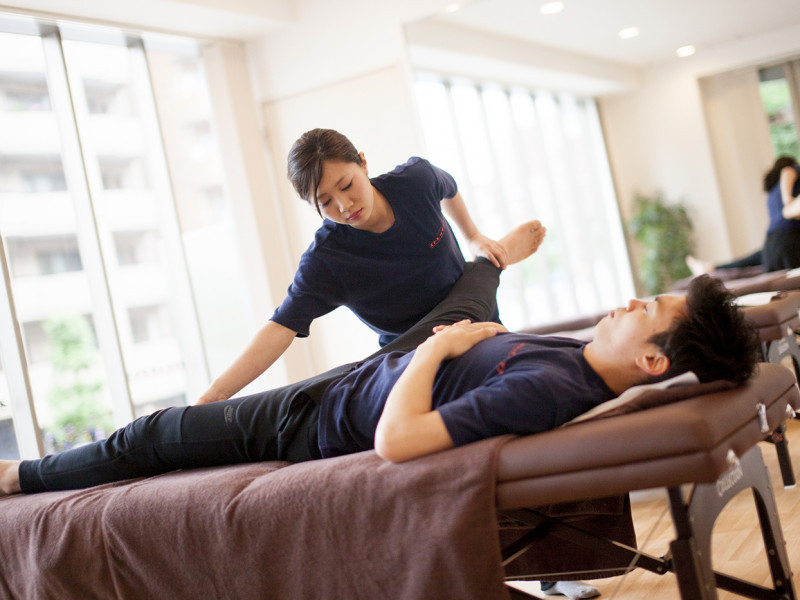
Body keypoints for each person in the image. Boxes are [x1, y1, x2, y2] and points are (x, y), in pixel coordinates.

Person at [0, 256, 759, 497]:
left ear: (653, 360)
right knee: (466, 291)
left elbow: (399, 443)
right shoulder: (577, 365)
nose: (630, 301)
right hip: (349, 383)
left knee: (153, 434)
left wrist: (433, 350)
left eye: (648, 306)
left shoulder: (554, 389)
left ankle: (21, 481)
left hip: (316, 425)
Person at [196, 128, 546, 405]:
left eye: (347, 185)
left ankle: (489, 261)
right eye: (325, 202)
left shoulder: (416, 182)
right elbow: (279, 329)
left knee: (531, 375)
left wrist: (473, 235)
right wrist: (215, 395)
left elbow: (449, 188)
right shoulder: (327, 260)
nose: (345, 205)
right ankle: (491, 264)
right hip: (416, 360)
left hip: (481, 322)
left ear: (363, 162)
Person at [687, 155, 800, 276]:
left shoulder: (772, 192)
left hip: (772, 243)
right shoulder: (792, 170)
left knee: (755, 260)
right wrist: (788, 200)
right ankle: (710, 267)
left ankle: (711, 267)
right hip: (790, 240)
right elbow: (787, 171)